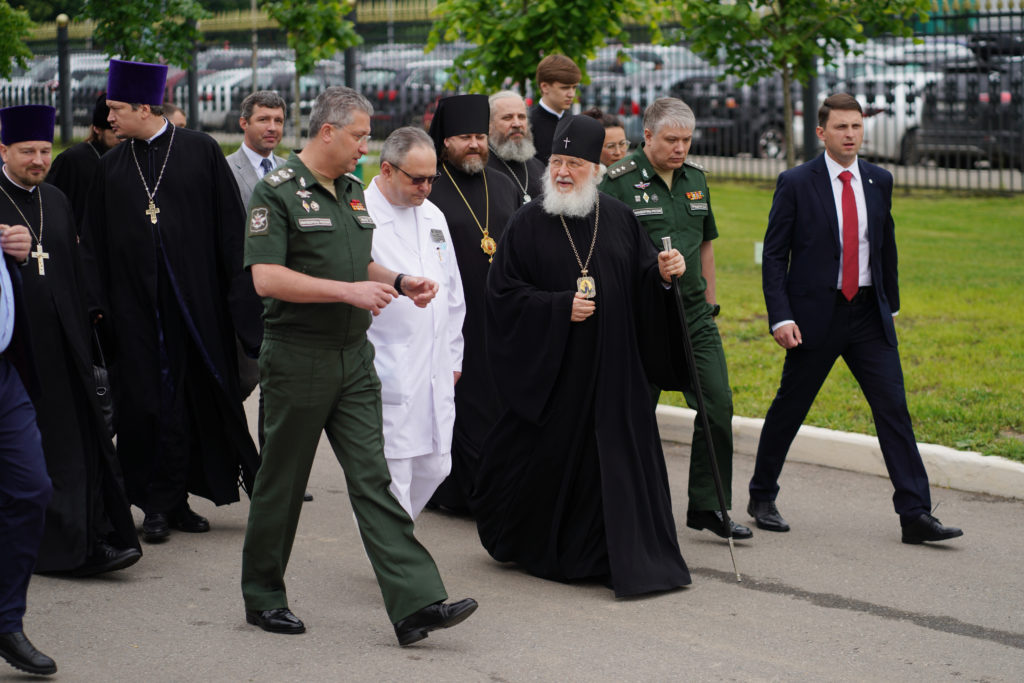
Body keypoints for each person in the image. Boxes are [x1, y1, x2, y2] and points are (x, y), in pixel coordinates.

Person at [240, 86, 477, 644]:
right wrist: (346, 293)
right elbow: (266, 278)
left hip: (353, 359)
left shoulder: (349, 191)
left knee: (375, 479)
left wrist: (396, 280)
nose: (364, 149)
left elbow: (359, 261)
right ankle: (263, 595)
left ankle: (416, 601)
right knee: (281, 479)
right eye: (359, 137)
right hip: (299, 358)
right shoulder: (275, 194)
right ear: (328, 132)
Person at [473, 114, 692, 596]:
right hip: (557, 374)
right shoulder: (526, 223)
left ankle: (612, 554)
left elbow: (639, 284)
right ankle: (548, 547)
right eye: (556, 162)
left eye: (574, 163)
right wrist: (556, 308)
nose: (563, 172)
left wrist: (661, 272)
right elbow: (502, 295)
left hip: (615, 370)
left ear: (595, 169)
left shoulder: (619, 218)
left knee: (613, 466)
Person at [748, 93, 963, 545]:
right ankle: (762, 495)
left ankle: (915, 514)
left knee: (894, 410)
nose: (850, 135)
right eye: (841, 127)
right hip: (814, 317)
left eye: (856, 127)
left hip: (868, 314)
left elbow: (885, 245)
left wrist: (893, 305)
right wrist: (780, 316)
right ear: (822, 132)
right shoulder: (796, 181)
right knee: (791, 407)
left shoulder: (878, 180)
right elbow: (773, 256)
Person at [80, 59, 263, 544]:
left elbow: (231, 231)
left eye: (116, 109)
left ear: (144, 107)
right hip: (136, 313)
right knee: (145, 405)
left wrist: (239, 301)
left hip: (194, 309)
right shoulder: (111, 166)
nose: (108, 117)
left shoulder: (201, 151)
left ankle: (178, 498)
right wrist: (97, 305)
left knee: (192, 401)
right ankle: (157, 503)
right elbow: (93, 242)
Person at [600, 98, 750, 541]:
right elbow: (604, 253)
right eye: (671, 140)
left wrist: (711, 302)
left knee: (717, 406)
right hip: (640, 317)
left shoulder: (697, 180)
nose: (680, 148)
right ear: (646, 136)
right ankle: (625, 511)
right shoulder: (618, 183)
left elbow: (705, 245)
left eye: (686, 139)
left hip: (693, 316)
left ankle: (709, 505)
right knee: (633, 417)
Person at [0, 105, 141, 578]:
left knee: (80, 444)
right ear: (4, 150)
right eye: (28, 152)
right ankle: (56, 548)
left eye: (44, 150)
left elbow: (74, 266)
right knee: (35, 454)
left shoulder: (56, 199)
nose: (39, 160)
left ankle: (87, 538)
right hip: (17, 352)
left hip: (66, 345)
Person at [364, 126, 465, 519]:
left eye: (432, 178)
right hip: (387, 363)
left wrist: (455, 355)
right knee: (392, 472)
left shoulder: (433, 214)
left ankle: (395, 542)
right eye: (417, 179)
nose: (426, 187)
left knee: (438, 464)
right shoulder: (361, 214)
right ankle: (395, 558)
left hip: (437, 364)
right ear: (387, 170)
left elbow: (452, 289)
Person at [425, 94, 520, 513]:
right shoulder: (428, 187)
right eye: (465, 137)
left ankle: (496, 485)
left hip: (500, 316)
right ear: (445, 141)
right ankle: (453, 491)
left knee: (496, 401)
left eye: (480, 136)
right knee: (455, 402)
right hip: (447, 317)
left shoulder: (502, 184)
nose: (476, 145)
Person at [0, 110, 56, 677]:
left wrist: (14, 253)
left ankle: (7, 621)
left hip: (4, 372)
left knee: (31, 488)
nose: (37, 161)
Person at [45, 94, 120, 233]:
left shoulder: (126, 155)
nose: (121, 137)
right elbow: (51, 203)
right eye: (114, 132)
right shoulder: (72, 159)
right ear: (97, 129)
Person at [486, 90, 544, 203]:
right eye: (507, 118)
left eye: (522, 117)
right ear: (489, 125)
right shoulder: (483, 169)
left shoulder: (539, 167)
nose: (517, 124)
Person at [529, 54, 581, 164]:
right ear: (545, 87)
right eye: (565, 88)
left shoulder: (575, 124)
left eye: (574, 87)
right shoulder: (528, 125)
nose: (571, 94)